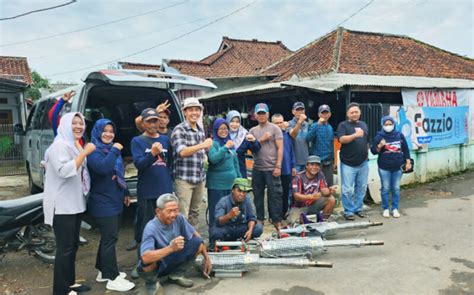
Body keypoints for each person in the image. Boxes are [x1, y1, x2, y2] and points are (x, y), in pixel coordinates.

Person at [43, 112, 96, 295]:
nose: (79, 127)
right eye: (74, 123)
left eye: (81, 124)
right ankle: (60, 290)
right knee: (65, 248)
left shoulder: (72, 144)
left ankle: (70, 283)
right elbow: (65, 171)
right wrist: (85, 152)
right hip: (62, 205)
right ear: (65, 125)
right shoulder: (59, 146)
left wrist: (81, 151)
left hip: (74, 203)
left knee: (72, 246)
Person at [87, 119, 135, 292]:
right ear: (97, 132)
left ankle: (103, 271)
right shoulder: (93, 150)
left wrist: (126, 192)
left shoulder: (110, 150)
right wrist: (115, 150)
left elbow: (119, 172)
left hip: (115, 198)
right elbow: (103, 168)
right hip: (102, 202)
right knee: (110, 239)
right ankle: (112, 277)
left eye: (111, 131)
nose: (108, 134)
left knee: (108, 238)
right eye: (104, 131)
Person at [138, 193, 212, 293]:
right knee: (147, 258)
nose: (173, 215)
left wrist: (207, 257)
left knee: (197, 242)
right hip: (158, 266)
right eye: (169, 211)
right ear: (158, 211)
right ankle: (152, 283)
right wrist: (171, 248)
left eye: (175, 210)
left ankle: (176, 275)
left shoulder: (179, 218)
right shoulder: (151, 227)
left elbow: (196, 235)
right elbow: (146, 257)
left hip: (172, 258)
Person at [131, 108, 173, 247]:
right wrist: (153, 154)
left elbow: (170, 163)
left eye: (155, 121)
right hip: (147, 191)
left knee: (165, 224)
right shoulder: (137, 141)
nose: (153, 124)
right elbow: (139, 165)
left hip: (165, 189)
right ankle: (145, 259)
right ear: (143, 124)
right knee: (147, 227)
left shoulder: (165, 139)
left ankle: (163, 255)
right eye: (149, 122)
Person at [171, 97, 213, 226]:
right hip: (184, 179)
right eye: (191, 110)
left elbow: (201, 153)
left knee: (195, 212)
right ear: (184, 112)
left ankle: (192, 240)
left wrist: (205, 153)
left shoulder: (200, 129)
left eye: (197, 110)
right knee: (182, 213)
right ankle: (181, 242)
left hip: (199, 178)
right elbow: (182, 152)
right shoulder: (179, 129)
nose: (194, 113)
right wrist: (202, 145)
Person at [249, 103, 284, 231]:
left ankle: (276, 219)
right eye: (259, 113)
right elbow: (251, 149)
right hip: (257, 167)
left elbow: (280, 148)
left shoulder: (275, 129)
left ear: (268, 114)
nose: (262, 116)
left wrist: (278, 166)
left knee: (275, 195)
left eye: (264, 113)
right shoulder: (252, 131)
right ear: (255, 116)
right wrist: (262, 139)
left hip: (272, 167)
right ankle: (260, 219)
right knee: (257, 195)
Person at [371, 116, 411, 218]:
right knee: (385, 188)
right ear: (383, 125)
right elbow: (373, 151)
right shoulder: (379, 136)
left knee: (396, 188)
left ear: (393, 124)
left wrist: (408, 162)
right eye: (386, 124)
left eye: (390, 124)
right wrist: (380, 145)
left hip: (398, 166)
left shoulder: (399, 135)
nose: (388, 126)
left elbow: (405, 149)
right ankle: (385, 209)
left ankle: (395, 208)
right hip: (384, 167)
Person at [337, 102, 370, 221]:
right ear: (348, 114)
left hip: (363, 162)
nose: (354, 114)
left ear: (360, 113)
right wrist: (355, 135)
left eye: (356, 112)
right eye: (352, 112)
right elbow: (341, 139)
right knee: (347, 189)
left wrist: (366, 154)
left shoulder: (364, 124)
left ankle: (358, 208)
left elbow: (366, 141)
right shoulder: (343, 125)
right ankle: (348, 211)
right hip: (348, 163)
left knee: (361, 187)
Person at [206, 118, 241, 229]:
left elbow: (236, 164)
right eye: (220, 129)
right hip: (217, 185)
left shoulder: (230, 142)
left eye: (225, 128)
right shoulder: (214, 144)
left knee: (231, 210)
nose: (223, 131)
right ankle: (215, 236)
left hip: (231, 184)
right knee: (216, 210)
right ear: (215, 130)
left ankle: (228, 235)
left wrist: (240, 180)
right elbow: (213, 159)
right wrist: (225, 148)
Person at [209, 178, 263, 243]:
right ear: (233, 190)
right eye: (239, 191)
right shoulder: (223, 201)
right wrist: (229, 216)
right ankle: (222, 244)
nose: (242, 194)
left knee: (258, 227)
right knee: (215, 232)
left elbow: (251, 218)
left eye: (244, 192)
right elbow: (218, 222)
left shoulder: (247, 200)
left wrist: (250, 231)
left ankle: (245, 239)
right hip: (227, 229)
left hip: (241, 228)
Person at [289, 155, 336, 223]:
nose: (314, 167)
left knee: (331, 199)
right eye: (312, 164)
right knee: (294, 222)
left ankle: (323, 221)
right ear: (306, 166)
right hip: (299, 207)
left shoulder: (320, 174)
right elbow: (296, 197)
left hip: (313, 205)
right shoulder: (298, 177)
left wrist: (329, 190)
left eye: (317, 165)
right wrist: (311, 197)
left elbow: (323, 190)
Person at [271, 114, 296, 219]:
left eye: (281, 122)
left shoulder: (287, 135)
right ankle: (273, 215)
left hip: (286, 168)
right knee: (274, 193)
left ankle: (284, 212)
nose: (279, 125)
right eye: (276, 123)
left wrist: (293, 166)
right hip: (273, 169)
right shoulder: (271, 136)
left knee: (285, 192)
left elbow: (291, 151)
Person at [226, 110, 261, 178]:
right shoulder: (223, 134)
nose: (235, 124)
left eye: (237, 122)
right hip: (224, 172)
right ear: (227, 121)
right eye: (232, 121)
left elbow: (256, 149)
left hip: (239, 172)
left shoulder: (244, 136)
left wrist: (254, 141)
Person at [306, 104, 335, 186]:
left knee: (328, 184)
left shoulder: (330, 127)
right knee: (316, 184)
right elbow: (308, 138)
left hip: (329, 160)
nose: (324, 115)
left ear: (329, 114)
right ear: (319, 114)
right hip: (317, 161)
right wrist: (318, 125)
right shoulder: (314, 125)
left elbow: (331, 144)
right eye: (323, 113)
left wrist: (334, 160)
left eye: (326, 113)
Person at [288, 101, 309, 172]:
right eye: (297, 110)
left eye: (301, 110)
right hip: (295, 161)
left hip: (306, 160)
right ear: (293, 112)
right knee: (295, 182)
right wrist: (299, 122)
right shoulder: (289, 124)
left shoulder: (307, 124)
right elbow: (293, 135)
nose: (300, 112)